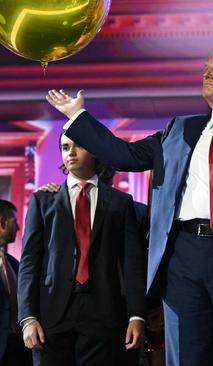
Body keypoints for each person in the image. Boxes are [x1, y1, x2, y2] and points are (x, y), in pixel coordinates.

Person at [45, 47, 213, 366]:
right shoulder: (179, 129)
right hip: (184, 257)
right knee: (188, 356)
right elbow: (124, 156)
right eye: (206, 68)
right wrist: (77, 117)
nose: (207, 73)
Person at [17, 134, 147, 365]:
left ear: (96, 150)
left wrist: (136, 315)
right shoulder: (43, 201)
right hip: (51, 314)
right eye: (65, 147)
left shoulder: (120, 202)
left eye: (79, 145)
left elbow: (132, 264)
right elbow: (29, 262)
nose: (71, 152)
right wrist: (27, 317)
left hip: (104, 313)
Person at [0, 200, 32, 366]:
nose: (18, 228)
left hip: (18, 348)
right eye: (15, 221)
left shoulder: (14, 263)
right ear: (2, 222)